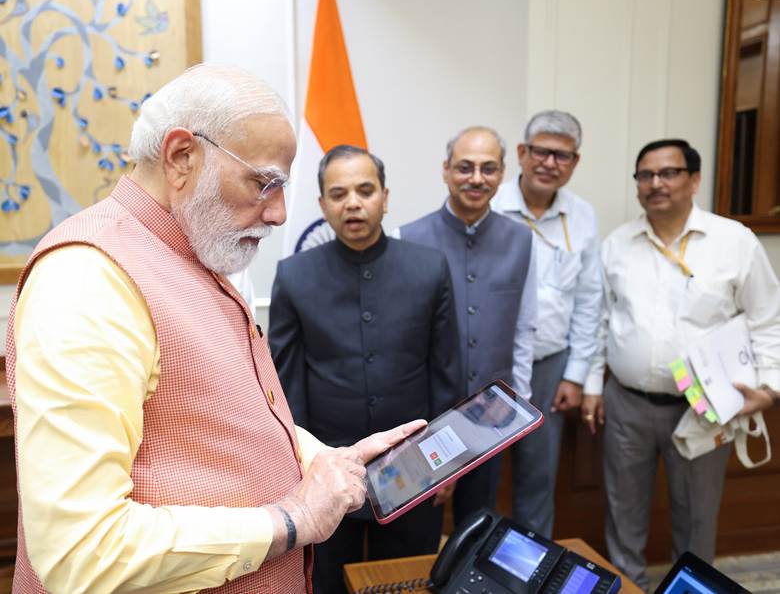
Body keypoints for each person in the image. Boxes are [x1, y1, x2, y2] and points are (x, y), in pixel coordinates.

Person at [7, 64, 424, 594]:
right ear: (182, 156)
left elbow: (219, 417)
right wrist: (291, 519)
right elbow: (81, 550)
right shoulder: (86, 277)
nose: (279, 214)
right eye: (264, 183)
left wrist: (325, 462)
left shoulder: (192, 253)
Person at [582, 139, 780, 590]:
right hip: (627, 404)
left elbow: (768, 318)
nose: (656, 183)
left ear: (694, 180)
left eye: (669, 173)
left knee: (696, 518)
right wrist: (593, 385)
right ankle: (628, 588)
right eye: (645, 175)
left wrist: (769, 390)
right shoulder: (617, 245)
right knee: (623, 514)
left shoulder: (734, 242)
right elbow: (599, 321)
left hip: (704, 408)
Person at [269, 145, 461, 594]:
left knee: (407, 581)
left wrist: (449, 462)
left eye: (365, 190)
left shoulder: (429, 268)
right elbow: (286, 385)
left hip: (416, 466)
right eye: (338, 194)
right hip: (327, 466)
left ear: (385, 198)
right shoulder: (294, 276)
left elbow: (446, 372)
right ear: (322, 205)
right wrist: (300, 468)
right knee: (330, 582)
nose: (352, 203)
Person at [398, 126, 537, 526]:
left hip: (493, 412)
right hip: (426, 415)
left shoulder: (522, 239)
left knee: (477, 521)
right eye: (465, 167)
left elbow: (524, 327)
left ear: (502, 173)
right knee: (421, 522)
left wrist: (520, 401)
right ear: (445, 170)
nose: (477, 178)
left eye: (488, 169)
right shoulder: (407, 238)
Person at [492, 110, 602, 538]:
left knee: (537, 479)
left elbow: (590, 301)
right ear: (522, 152)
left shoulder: (583, 215)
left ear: (575, 162)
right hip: (493, 367)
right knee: (480, 477)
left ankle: (529, 563)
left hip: (551, 366)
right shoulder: (491, 204)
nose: (549, 163)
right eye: (541, 152)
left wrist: (576, 375)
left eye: (562, 156)